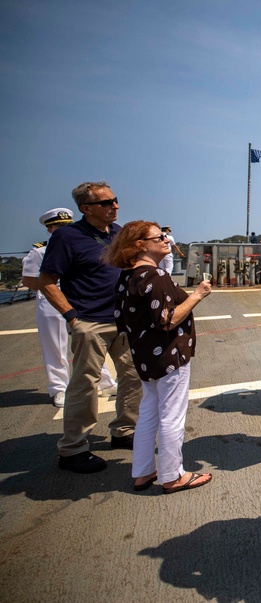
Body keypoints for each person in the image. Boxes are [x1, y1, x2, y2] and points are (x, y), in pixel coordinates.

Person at [38, 181, 142, 474]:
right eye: (107, 203)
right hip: (90, 321)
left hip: (123, 319)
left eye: (115, 200)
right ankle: (73, 449)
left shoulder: (119, 233)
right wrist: (73, 318)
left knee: (134, 377)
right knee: (85, 385)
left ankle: (124, 431)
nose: (115, 206)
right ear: (86, 209)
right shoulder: (67, 238)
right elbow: (47, 281)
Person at [106, 221, 214, 494]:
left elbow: (121, 317)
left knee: (148, 414)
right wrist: (198, 295)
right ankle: (173, 475)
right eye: (160, 236)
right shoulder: (155, 276)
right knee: (172, 415)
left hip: (144, 356)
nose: (167, 239)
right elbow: (167, 320)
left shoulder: (127, 275)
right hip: (169, 355)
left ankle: (142, 472)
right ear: (140, 244)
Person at [22, 208, 117, 407]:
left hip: (79, 298)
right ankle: (59, 388)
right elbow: (30, 280)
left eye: (67, 226)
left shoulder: (80, 245)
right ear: (50, 230)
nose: (64, 230)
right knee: (56, 346)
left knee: (91, 342)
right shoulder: (40, 251)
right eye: (58, 227)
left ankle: (105, 382)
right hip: (50, 302)